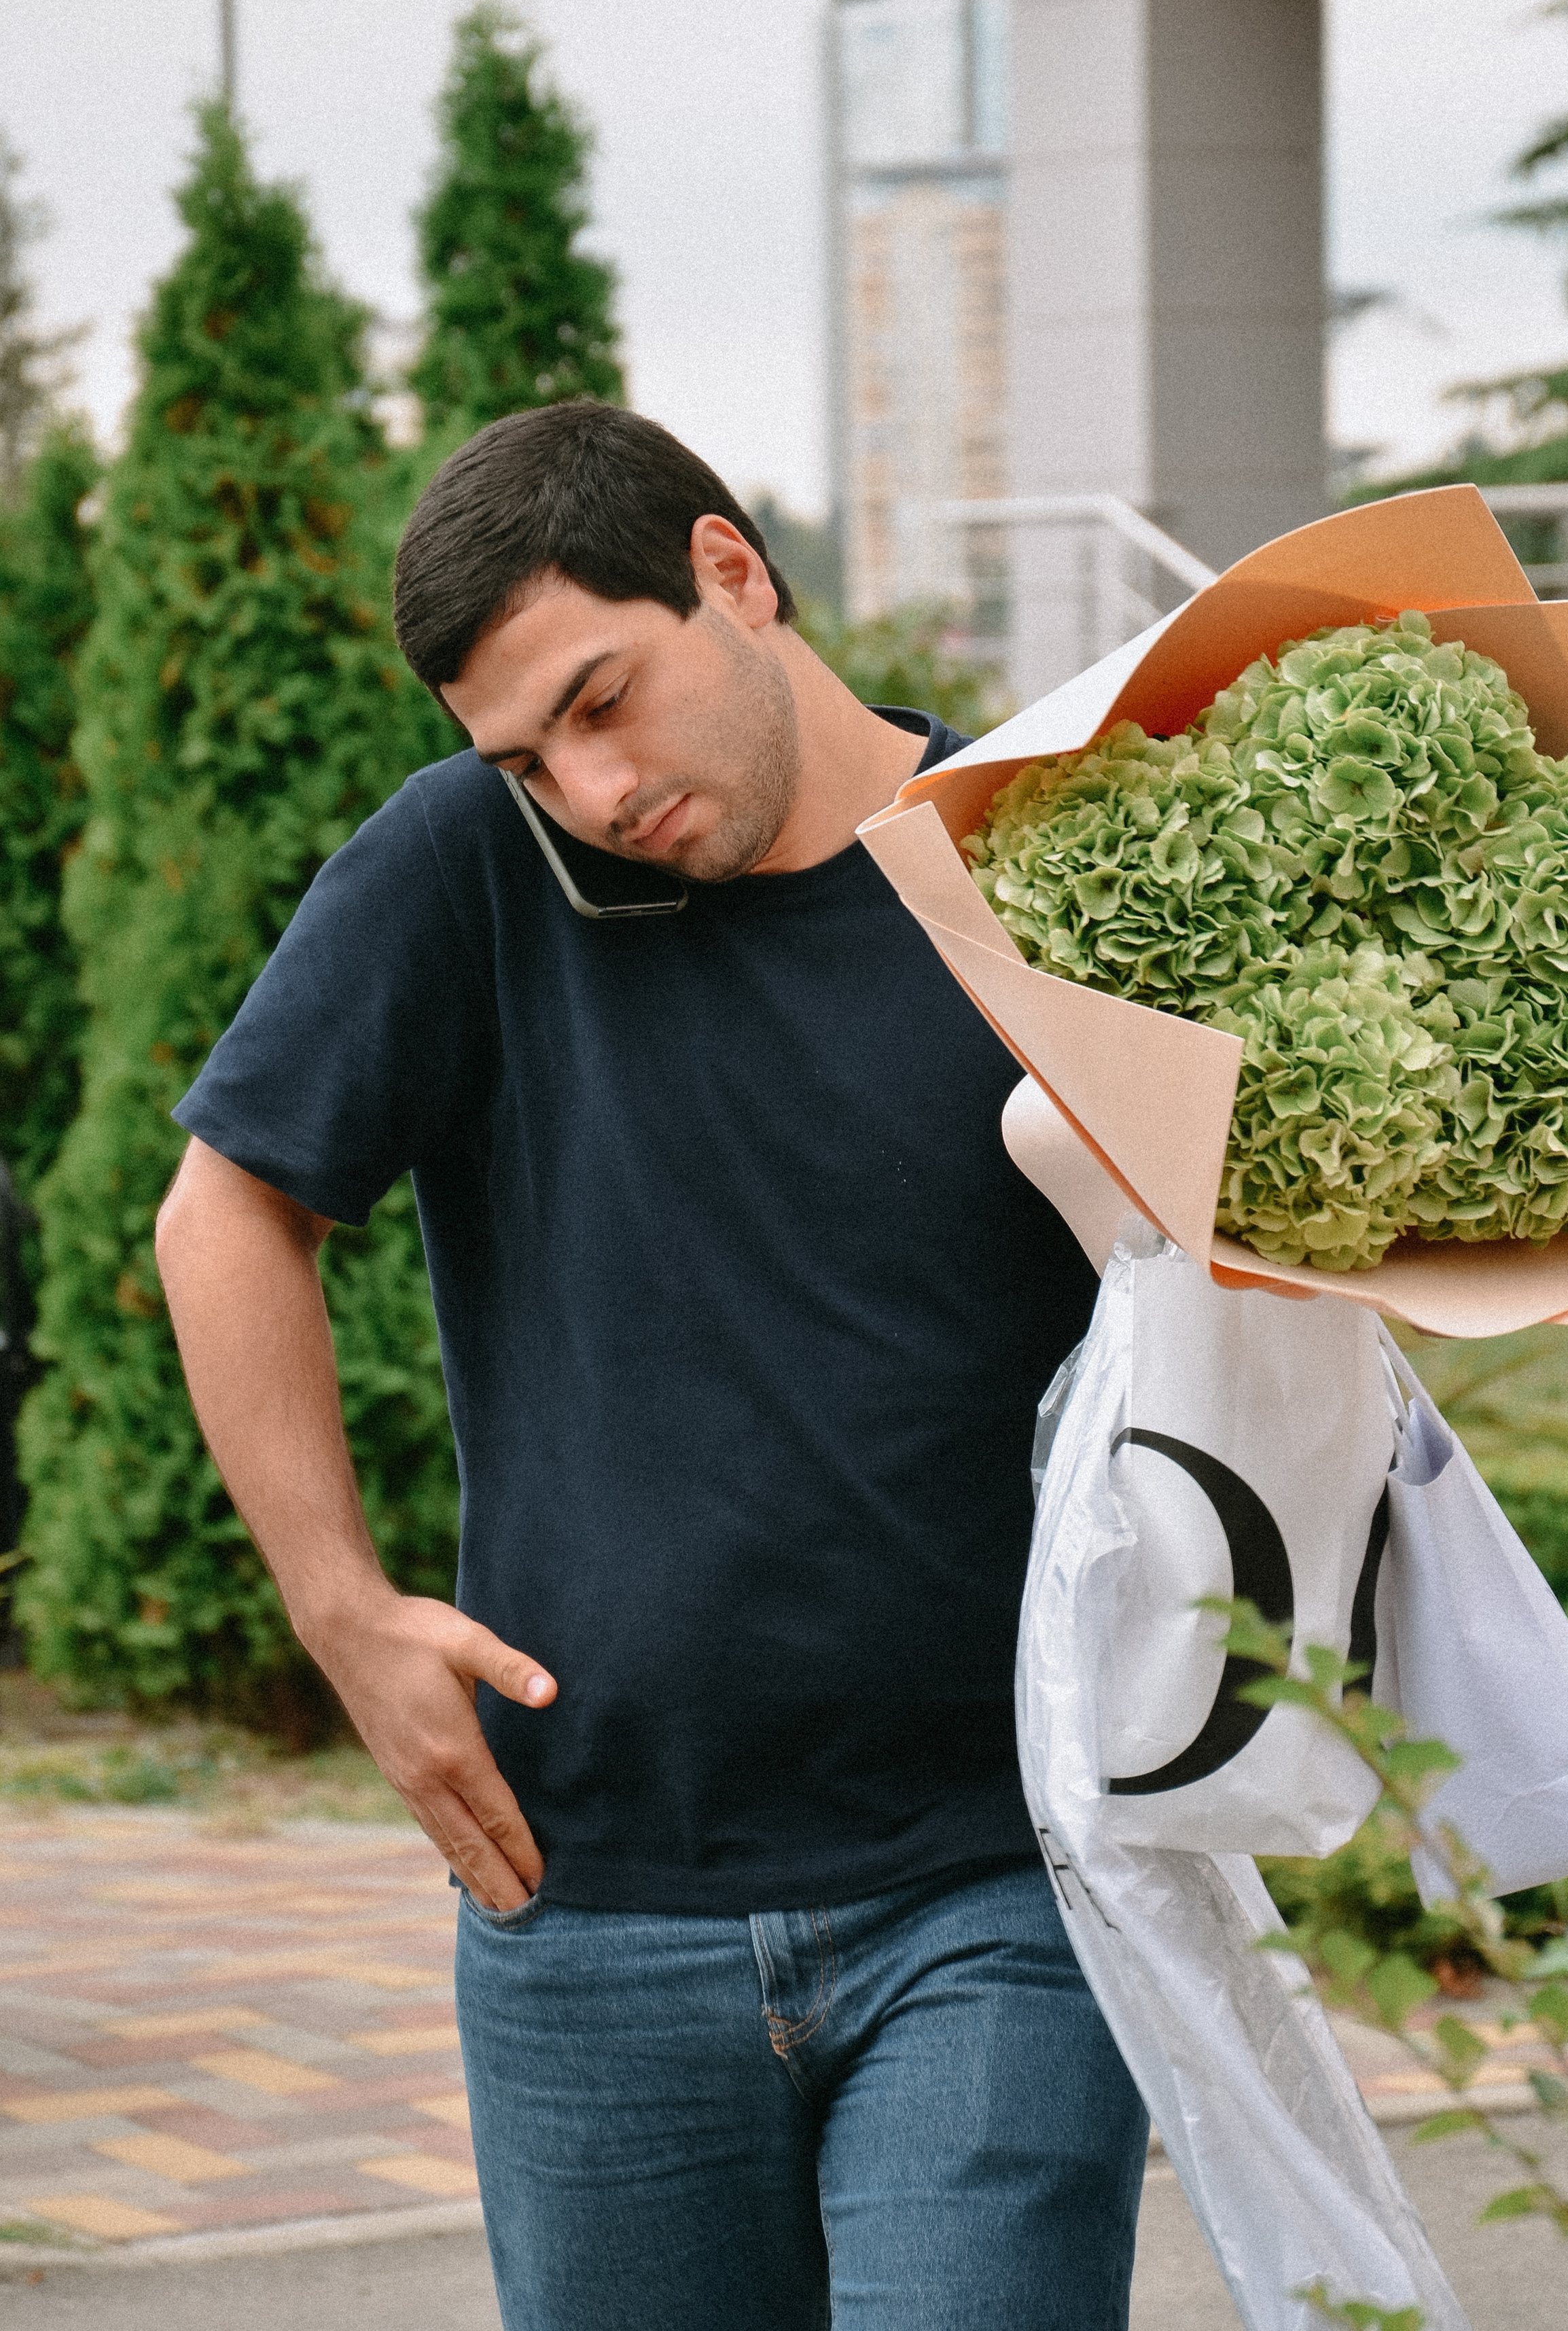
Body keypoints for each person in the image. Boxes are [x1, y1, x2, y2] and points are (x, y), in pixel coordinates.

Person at [154, 400, 1149, 2330]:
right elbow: (226, 1213)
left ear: (728, 569)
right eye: (525, 751)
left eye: (600, 701)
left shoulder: (1038, 872)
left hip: (996, 1876)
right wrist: (342, 1612)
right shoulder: (465, 870)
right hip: (585, 1906)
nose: (586, 787)